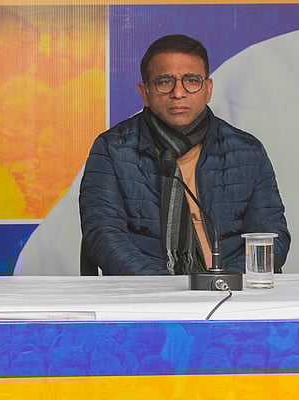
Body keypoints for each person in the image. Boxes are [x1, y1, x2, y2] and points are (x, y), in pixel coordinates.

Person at [79, 34, 289, 275]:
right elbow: (103, 235)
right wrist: (163, 289)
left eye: (191, 80)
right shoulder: (112, 149)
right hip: (147, 295)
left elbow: (272, 234)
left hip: (233, 293)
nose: (178, 93)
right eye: (165, 81)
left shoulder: (247, 150)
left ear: (208, 89)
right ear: (145, 91)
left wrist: (229, 282)